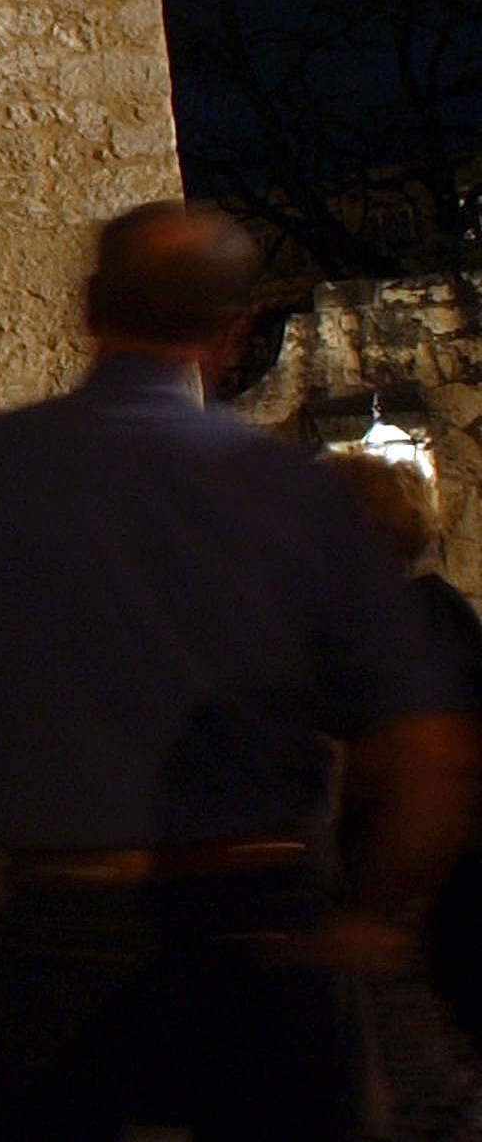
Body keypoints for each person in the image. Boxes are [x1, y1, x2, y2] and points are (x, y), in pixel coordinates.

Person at [0, 202, 481, 1142]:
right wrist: (370, 915)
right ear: (237, 327)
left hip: (63, 933)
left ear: (89, 307)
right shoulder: (298, 491)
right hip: (261, 932)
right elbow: (432, 749)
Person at [319, 449, 482, 1138]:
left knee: (420, 1094)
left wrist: (377, 907)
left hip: (423, 903)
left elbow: (430, 766)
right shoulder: (440, 612)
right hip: (436, 896)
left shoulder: (390, 633)